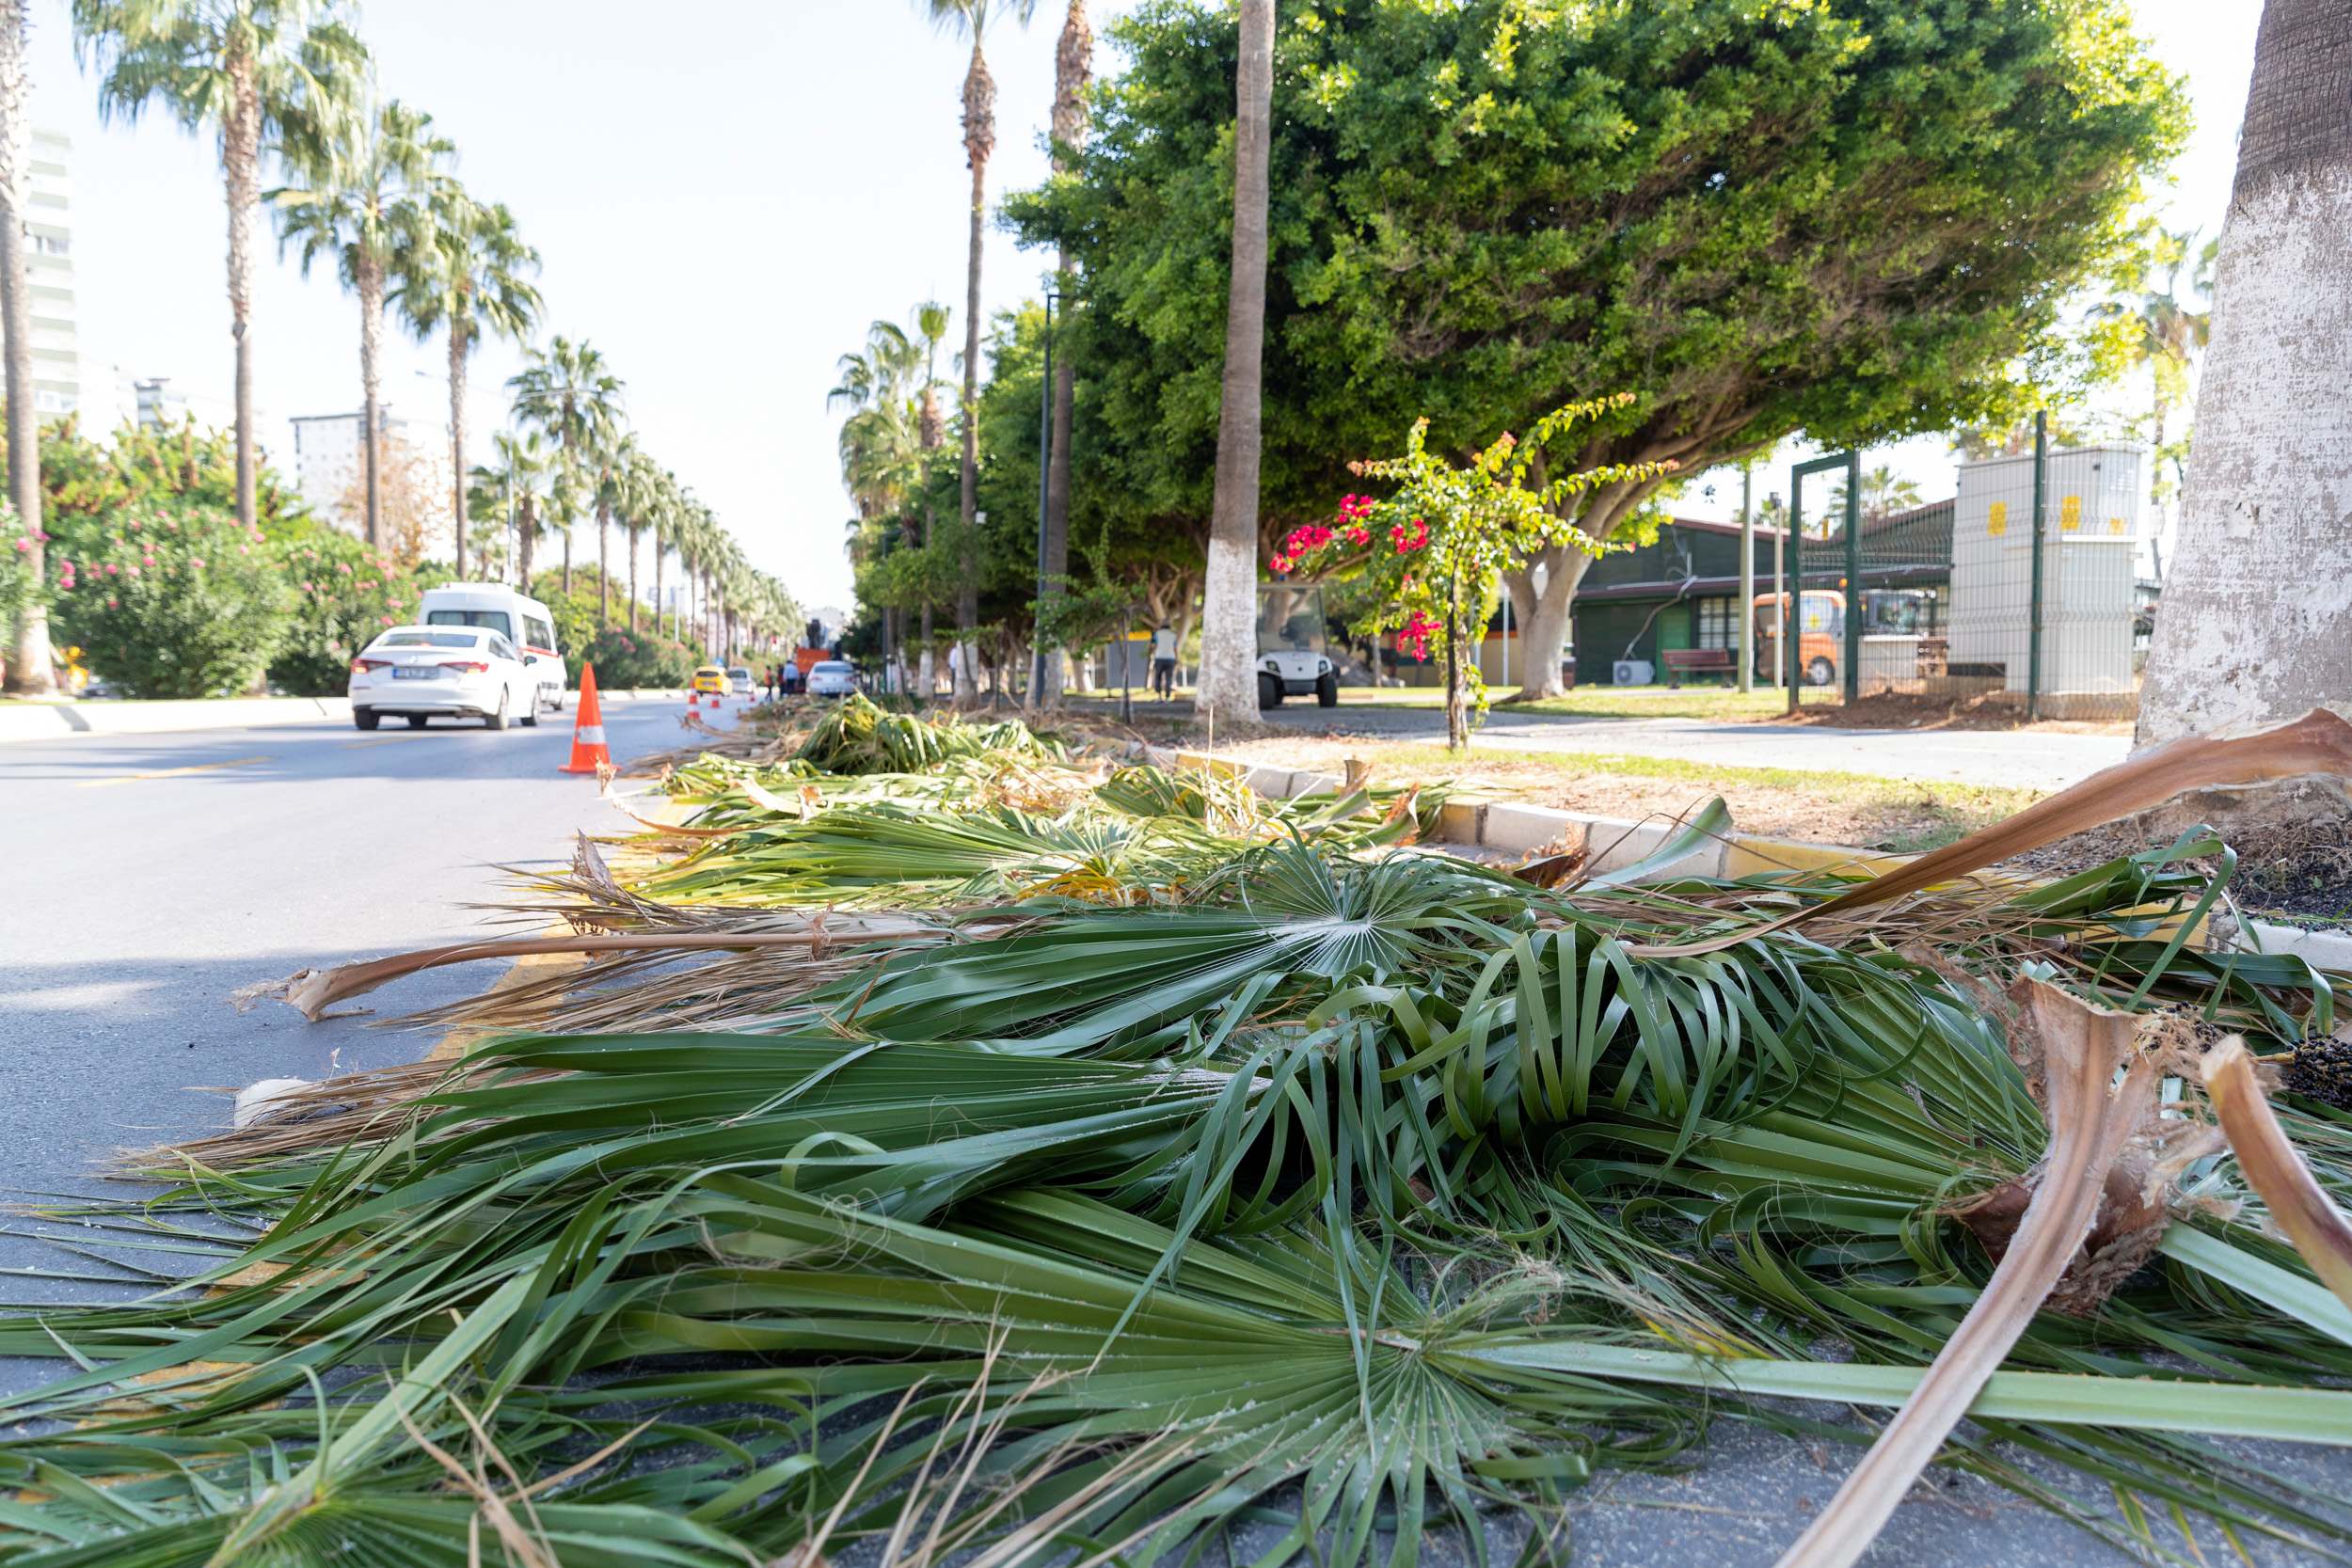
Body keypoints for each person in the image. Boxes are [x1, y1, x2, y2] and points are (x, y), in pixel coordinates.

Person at [1150, 623, 1178, 700]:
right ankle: (1168, 697)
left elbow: (1153, 645)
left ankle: (1159, 696)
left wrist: (1153, 653)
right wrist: (1176, 658)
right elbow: (1175, 648)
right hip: (1170, 658)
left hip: (1159, 658)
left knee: (1158, 677)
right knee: (1169, 677)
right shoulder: (1173, 635)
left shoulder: (1157, 634)